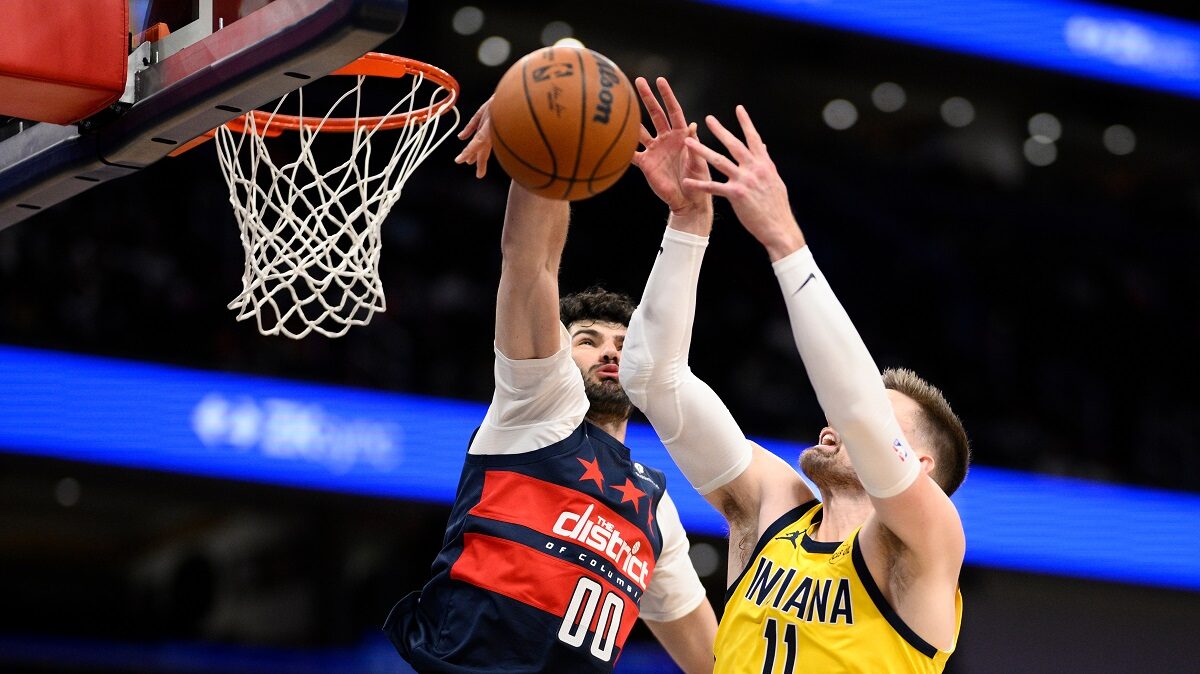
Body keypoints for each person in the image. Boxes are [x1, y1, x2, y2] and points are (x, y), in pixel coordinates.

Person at [619, 87, 970, 672]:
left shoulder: (924, 543)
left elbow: (858, 411)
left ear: (922, 468)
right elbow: (652, 378)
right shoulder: (771, 509)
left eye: (886, 426)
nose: (834, 424)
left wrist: (784, 238)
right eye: (836, 419)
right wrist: (687, 223)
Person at [382, 83, 718, 673]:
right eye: (588, 341)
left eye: (623, 343)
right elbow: (530, 260)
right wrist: (547, 138)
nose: (610, 353)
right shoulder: (539, 404)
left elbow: (716, 662)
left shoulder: (659, 510)